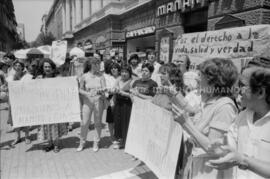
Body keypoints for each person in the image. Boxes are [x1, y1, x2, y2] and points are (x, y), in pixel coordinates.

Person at [172, 58, 239, 179]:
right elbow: (192, 112)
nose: (197, 79)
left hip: (209, 171)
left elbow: (214, 149)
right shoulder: (208, 99)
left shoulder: (225, 106)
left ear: (213, 80)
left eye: (200, 75)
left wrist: (186, 123)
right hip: (197, 164)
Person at [206, 67, 270, 179]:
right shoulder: (242, 116)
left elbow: (239, 158)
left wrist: (244, 161)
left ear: (261, 92)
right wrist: (221, 149)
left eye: (242, 85)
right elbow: (230, 147)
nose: (238, 90)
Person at [37, 58, 68, 153]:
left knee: (55, 125)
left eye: (49, 66)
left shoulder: (58, 78)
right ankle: (50, 143)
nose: (47, 68)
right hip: (44, 106)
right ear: (42, 68)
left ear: (53, 68)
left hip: (56, 106)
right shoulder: (39, 78)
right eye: (45, 67)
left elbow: (65, 88)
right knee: (46, 126)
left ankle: (56, 144)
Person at [77, 57, 106, 152]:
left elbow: (104, 89)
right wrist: (87, 93)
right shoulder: (84, 76)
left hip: (98, 100)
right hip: (87, 101)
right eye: (96, 64)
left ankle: (96, 142)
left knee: (98, 123)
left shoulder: (101, 76)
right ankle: (82, 142)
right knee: (85, 122)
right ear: (91, 65)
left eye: (99, 64)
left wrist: (103, 91)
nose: (98, 66)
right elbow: (80, 89)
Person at [7, 59, 31, 145]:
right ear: (13, 67)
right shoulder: (10, 77)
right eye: (16, 66)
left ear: (22, 67)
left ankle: (27, 136)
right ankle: (18, 137)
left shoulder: (27, 76)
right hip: (14, 101)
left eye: (19, 66)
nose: (17, 67)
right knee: (16, 119)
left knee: (26, 118)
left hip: (25, 101)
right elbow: (6, 88)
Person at [113, 64, 133, 149]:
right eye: (122, 72)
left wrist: (124, 93)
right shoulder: (118, 80)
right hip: (118, 104)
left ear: (129, 73)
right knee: (118, 122)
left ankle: (127, 142)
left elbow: (133, 95)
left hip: (127, 105)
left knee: (126, 122)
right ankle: (120, 140)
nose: (124, 74)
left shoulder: (132, 81)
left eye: (126, 72)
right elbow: (114, 90)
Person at [104, 62, 120, 142]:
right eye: (112, 68)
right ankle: (111, 136)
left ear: (118, 69)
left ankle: (118, 135)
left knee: (118, 118)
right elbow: (106, 89)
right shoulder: (107, 78)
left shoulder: (121, 77)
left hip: (120, 99)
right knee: (110, 119)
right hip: (110, 99)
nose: (113, 69)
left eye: (115, 68)